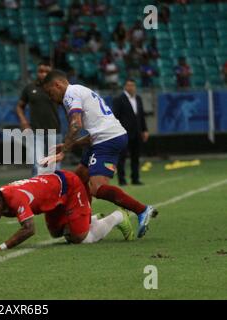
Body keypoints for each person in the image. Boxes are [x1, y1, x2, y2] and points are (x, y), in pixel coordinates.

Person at [41, 70, 158, 238]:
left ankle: (142, 210)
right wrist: (70, 145)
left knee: (97, 188)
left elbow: (76, 125)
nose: (51, 98)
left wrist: (63, 152)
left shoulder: (70, 94)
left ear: (57, 85)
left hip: (108, 140)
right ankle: (84, 222)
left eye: (49, 93)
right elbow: (94, 132)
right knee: (80, 177)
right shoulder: (79, 91)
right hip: (101, 139)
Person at [0, 170, 134, 252]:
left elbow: (29, 229)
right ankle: (90, 220)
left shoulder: (14, 199)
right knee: (56, 233)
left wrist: (1, 247)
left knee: (79, 239)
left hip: (68, 187)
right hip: (52, 196)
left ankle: (118, 216)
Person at [16, 62, 62, 176]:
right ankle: (36, 191)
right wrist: (23, 121)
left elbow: (67, 105)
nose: (44, 74)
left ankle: (57, 191)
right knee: (37, 166)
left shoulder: (57, 87)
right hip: (36, 132)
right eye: (41, 71)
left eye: (47, 72)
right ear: (37, 72)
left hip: (54, 131)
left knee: (55, 167)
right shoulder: (30, 88)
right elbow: (19, 106)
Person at [112, 79, 149, 186]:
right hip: (124, 133)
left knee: (135, 157)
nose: (131, 87)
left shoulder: (138, 98)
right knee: (122, 157)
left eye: (133, 85)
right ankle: (122, 180)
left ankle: (135, 178)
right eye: (128, 85)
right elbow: (116, 117)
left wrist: (144, 130)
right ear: (124, 86)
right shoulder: (118, 99)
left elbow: (141, 116)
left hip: (137, 133)